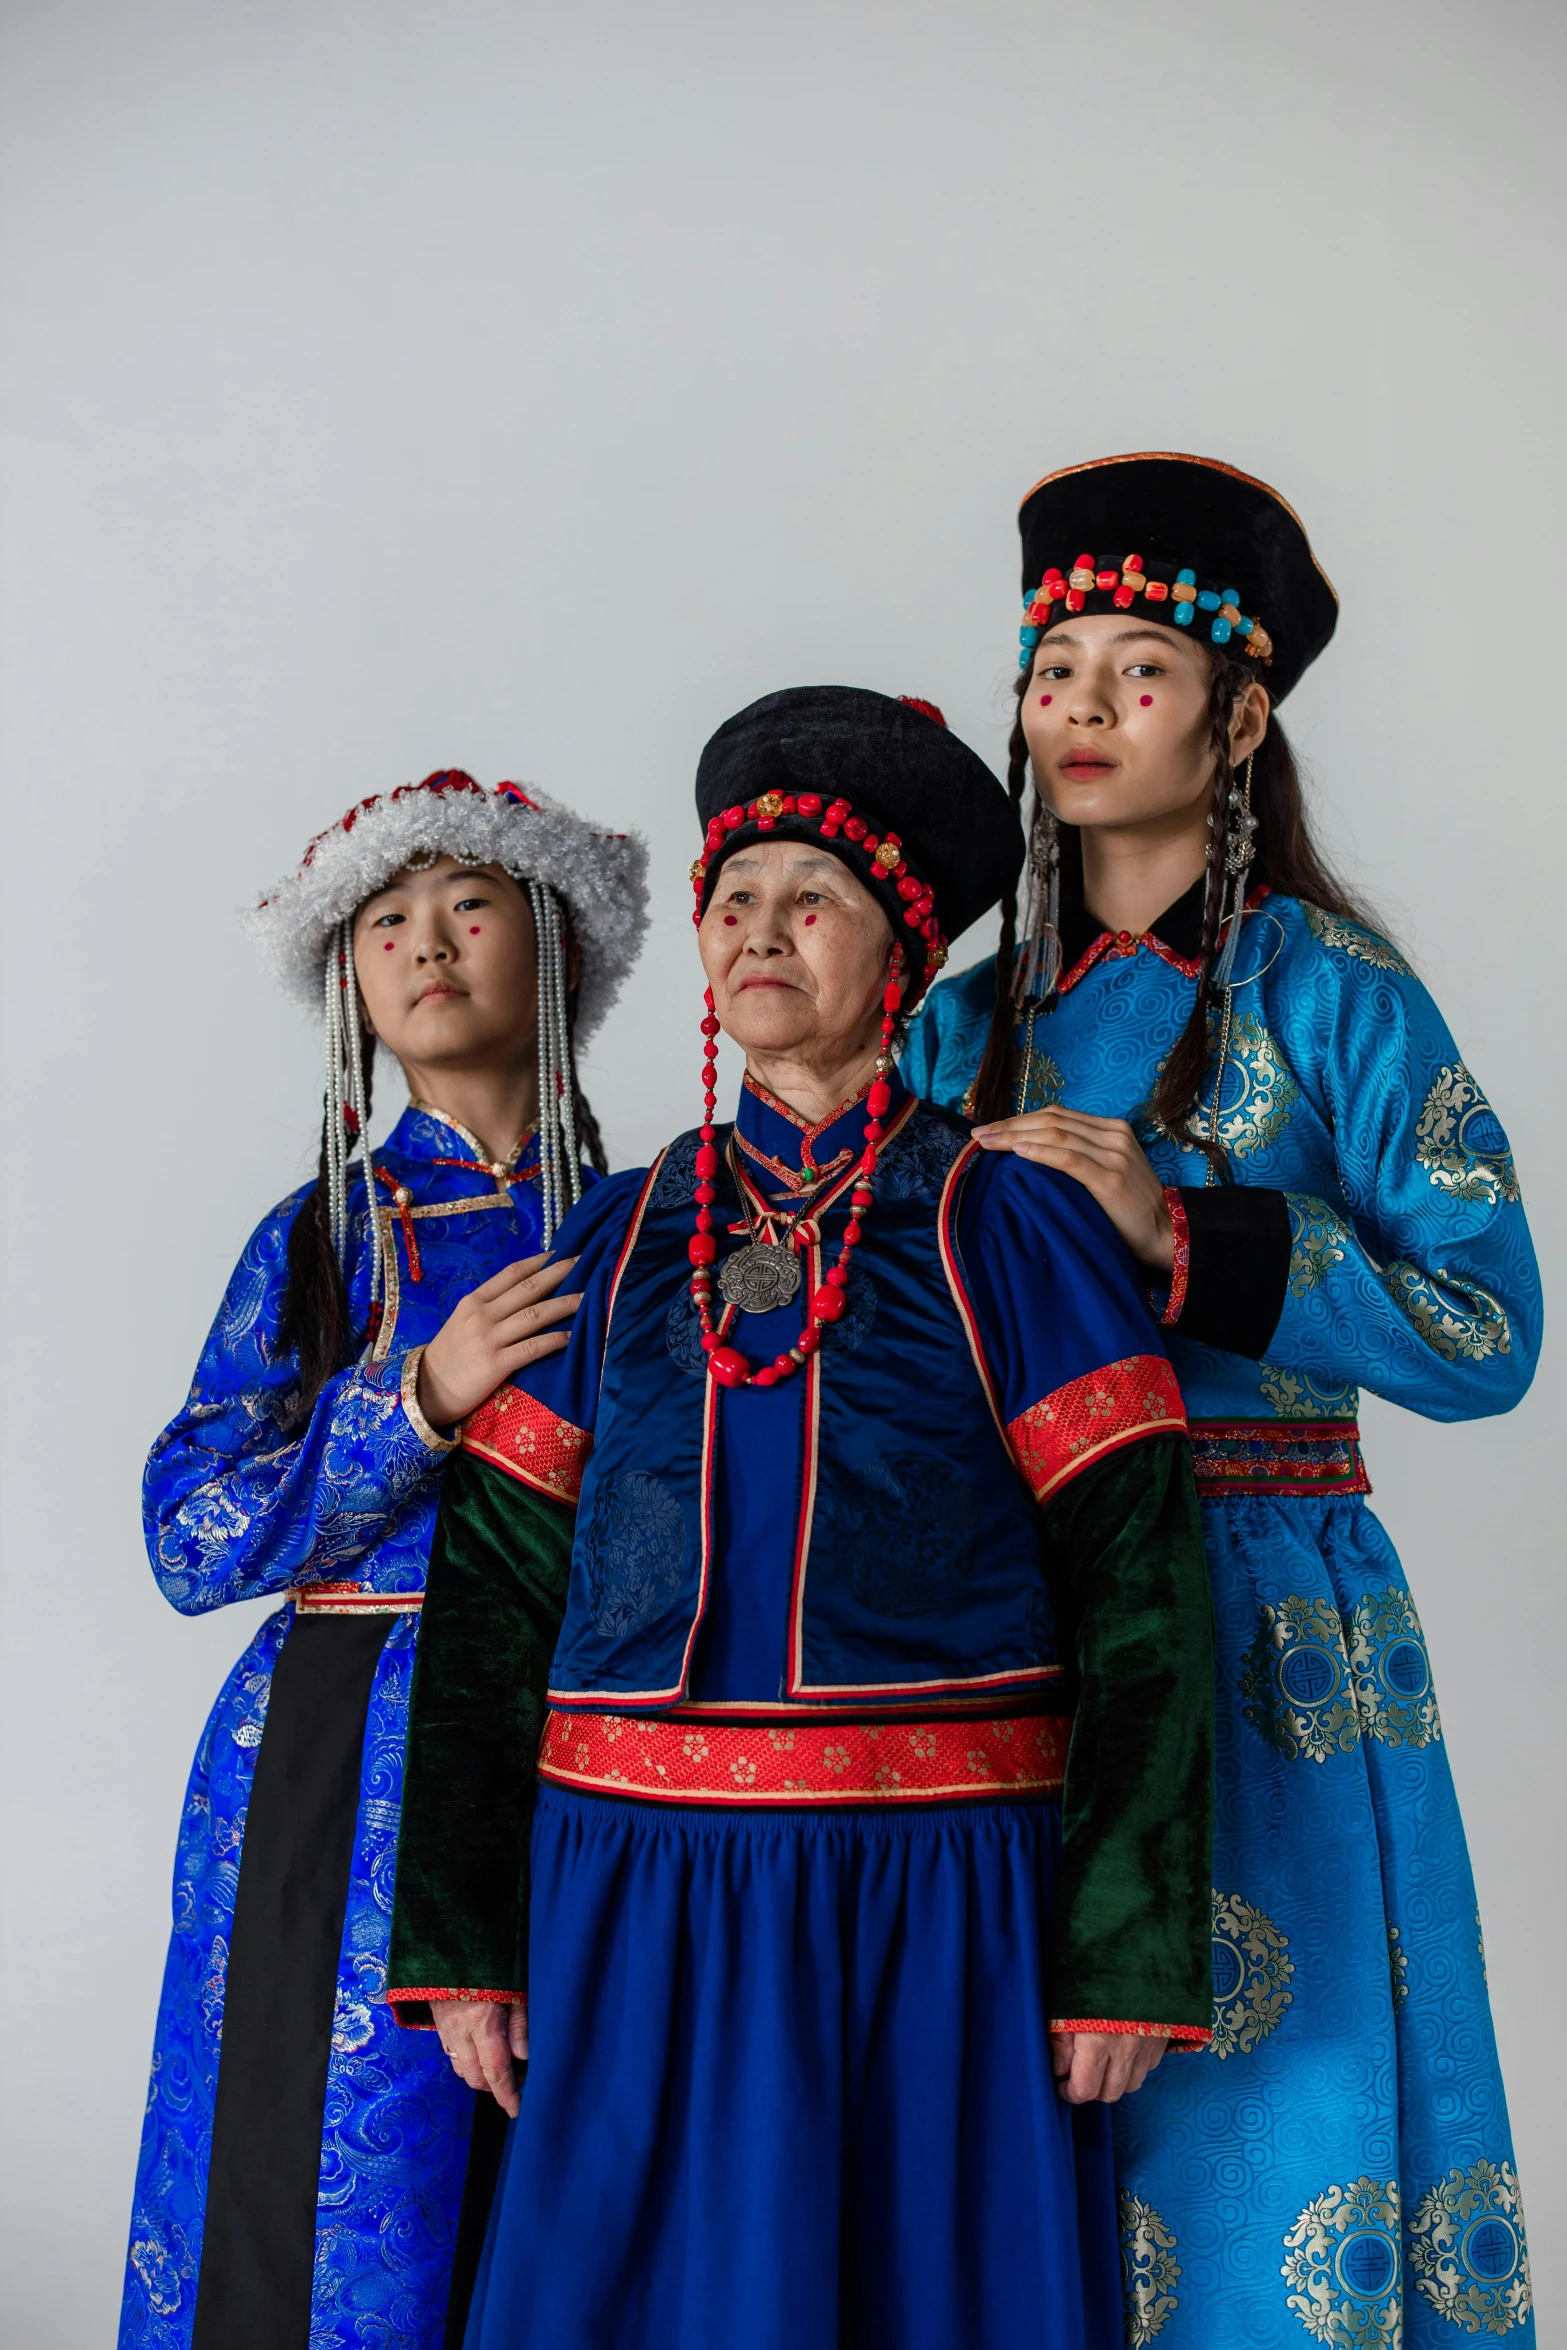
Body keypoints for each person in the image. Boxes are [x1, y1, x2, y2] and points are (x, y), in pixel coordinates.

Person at [386, 689, 1217, 2350]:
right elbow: (489, 1593)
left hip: (932, 1900)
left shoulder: (1005, 1224)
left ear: (898, 955)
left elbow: (1142, 1584)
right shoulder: (622, 1240)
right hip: (631, 1886)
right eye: (734, 902)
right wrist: (467, 1931)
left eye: (810, 903)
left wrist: (1124, 1941)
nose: (760, 933)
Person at [901, 455, 1542, 2346]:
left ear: (1240, 714)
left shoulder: (1333, 997)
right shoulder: (962, 1016)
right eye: (1055, 669)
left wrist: (1183, 1234)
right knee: (1015, 2110)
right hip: (1020, 1614)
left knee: (1265, 2101)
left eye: (1138, 670)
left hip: (1269, 1619)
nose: (1084, 709)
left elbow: (1484, 1328)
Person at [119, 770, 648, 2350]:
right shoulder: (326, 1236)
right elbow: (186, 1532)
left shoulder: (654, 1226)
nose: (427, 944)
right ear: (348, 978)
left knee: (584, 2171)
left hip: (602, 1741)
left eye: (471, 906)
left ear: (555, 947)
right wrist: (413, 1403)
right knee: (333, 2185)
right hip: (344, 1761)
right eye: (387, 921)